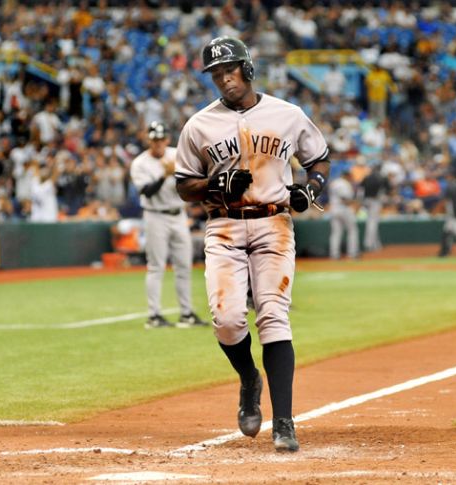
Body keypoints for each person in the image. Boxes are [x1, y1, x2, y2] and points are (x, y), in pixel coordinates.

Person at [174, 36, 331, 452]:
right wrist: (213, 183)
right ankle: (249, 377)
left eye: (230, 69)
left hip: (273, 224)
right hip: (223, 226)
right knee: (226, 320)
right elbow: (184, 186)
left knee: (274, 316)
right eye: (216, 73)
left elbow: (318, 159)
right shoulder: (199, 125)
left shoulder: (287, 114)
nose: (224, 78)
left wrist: (309, 189)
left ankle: (284, 422)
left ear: (248, 68)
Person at [131, 121, 208, 330]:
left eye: (161, 139)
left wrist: (177, 173)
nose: (158, 143)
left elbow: (193, 182)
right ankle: (154, 315)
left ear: (167, 139)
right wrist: (164, 174)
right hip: (155, 216)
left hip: (178, 215)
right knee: (156, 266)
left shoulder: (177, 154)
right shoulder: (140, 163)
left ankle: (186, 313)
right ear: (149, 140)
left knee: (184, 265)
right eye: (154, 139)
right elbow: (146, 191)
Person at [358, 164, 391, 252]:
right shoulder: (382, 178)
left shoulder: (367, 177)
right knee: (373, 222)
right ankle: (369, 244)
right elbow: (388, 189)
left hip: (367, 200)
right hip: (375, 201)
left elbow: (360, 189)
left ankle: (376, 243)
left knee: (372, 221)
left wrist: (361, 201)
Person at [328, 171, 360, 260]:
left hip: (334, 208)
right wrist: (356, 203)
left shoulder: (334, 182)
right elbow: (344, 199)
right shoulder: (344, 183)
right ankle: (352, 253)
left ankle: (334, 254)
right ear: (346, 176)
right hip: (343, 209)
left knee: (336, 233)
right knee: (352, 230)